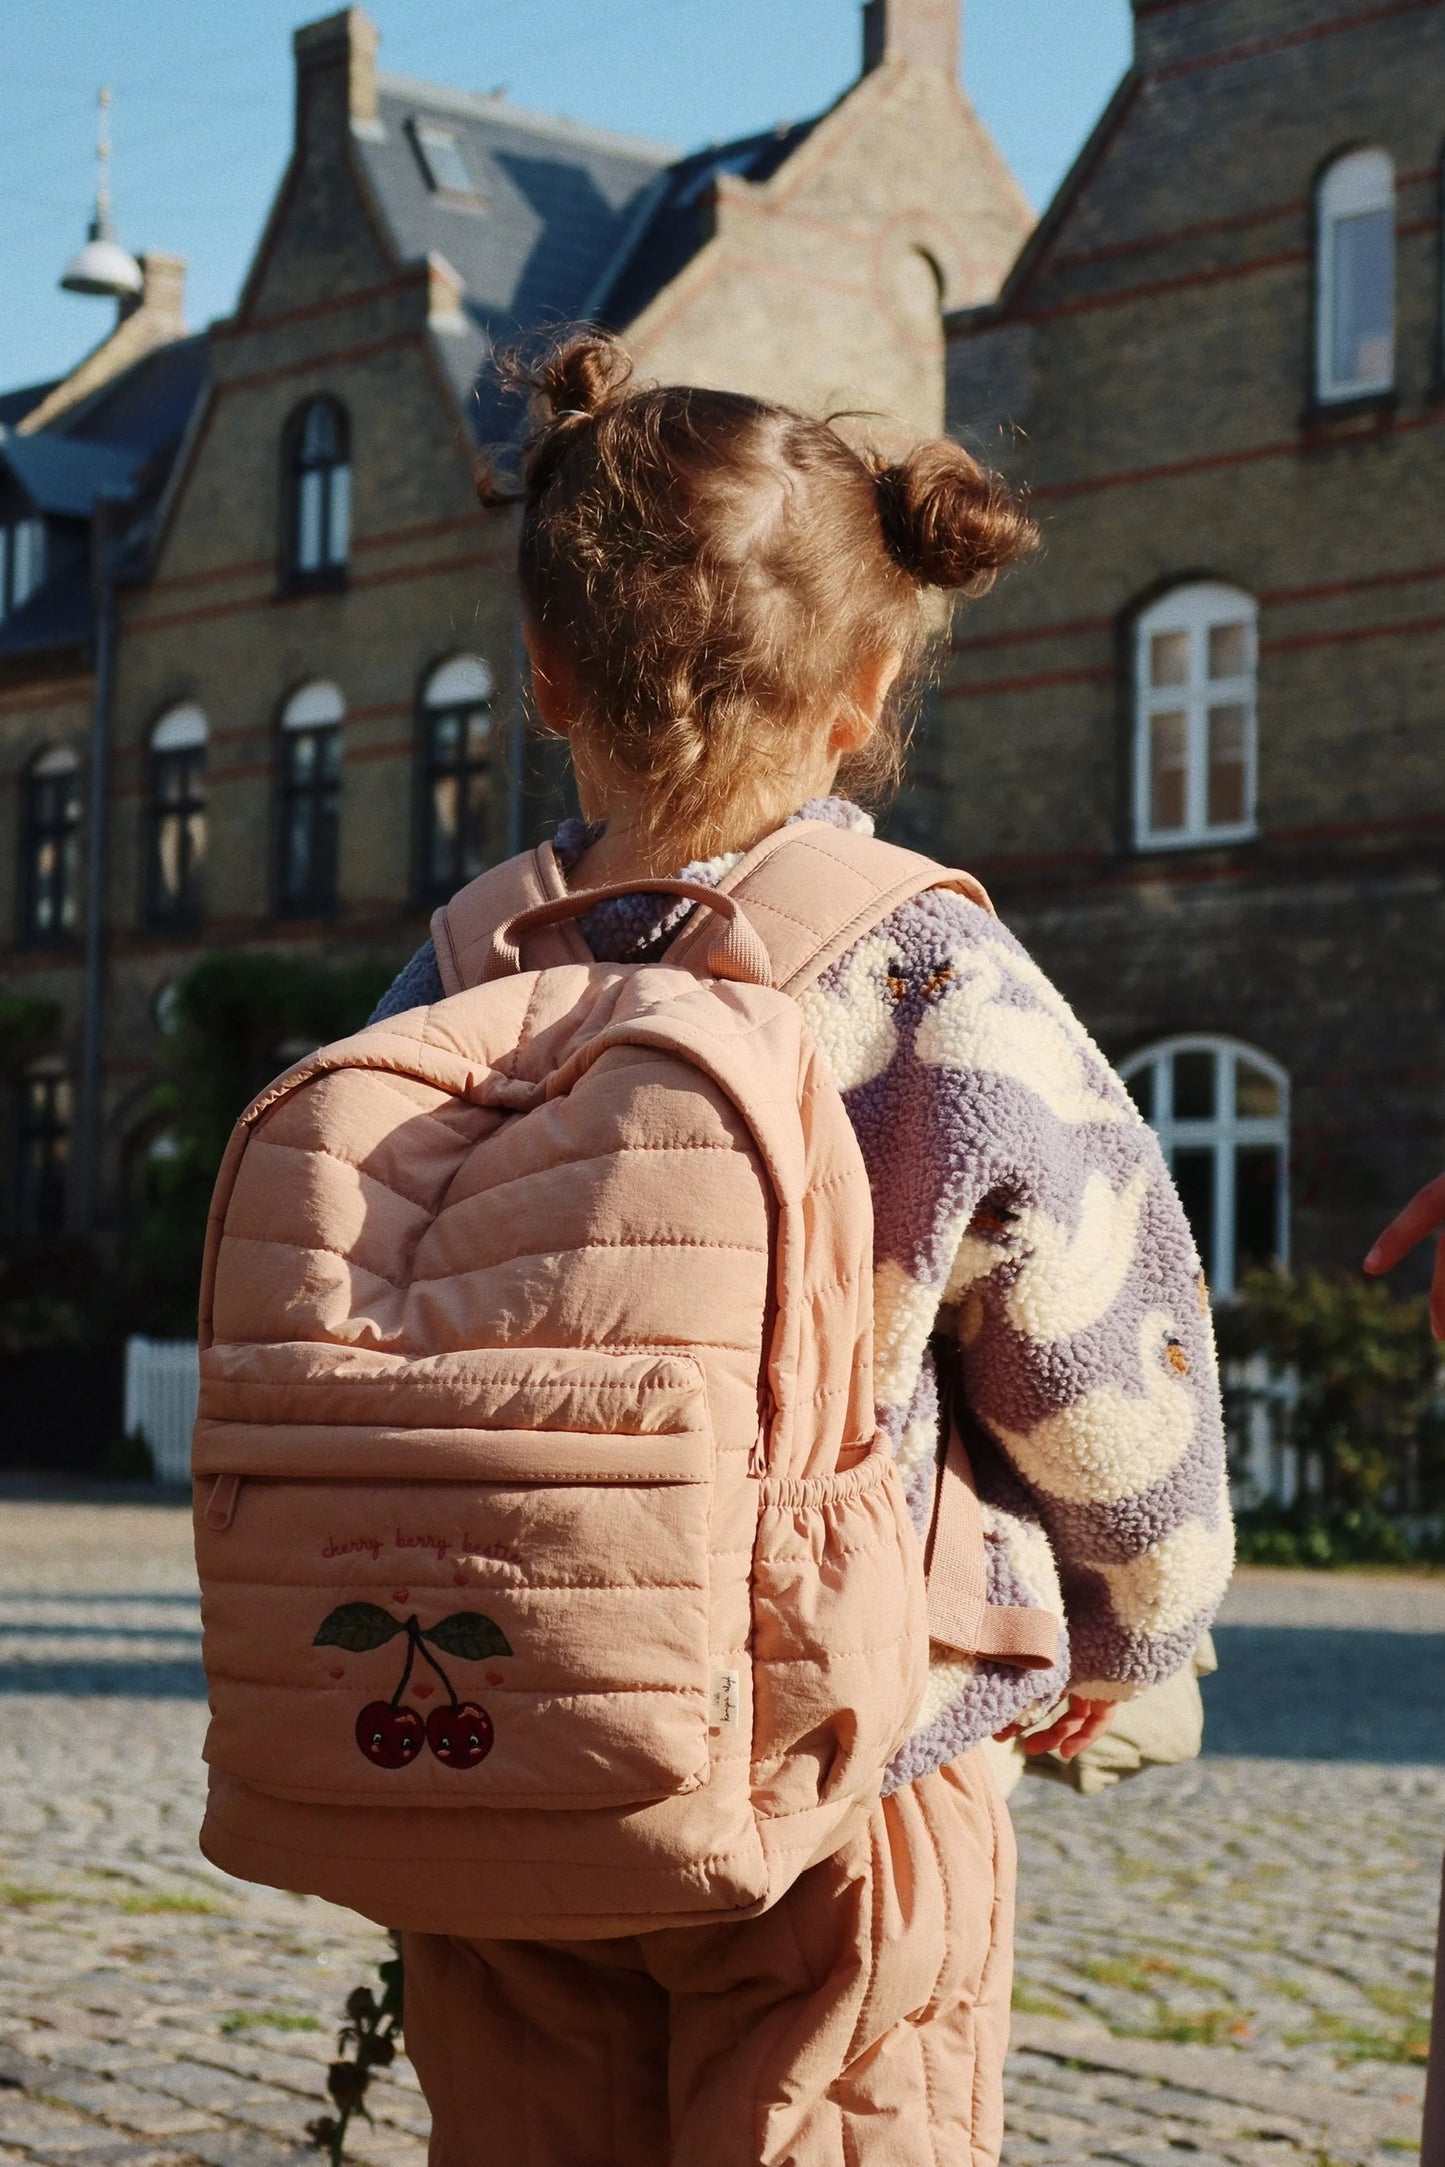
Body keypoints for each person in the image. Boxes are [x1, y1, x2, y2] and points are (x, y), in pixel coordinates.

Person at [370, 332, 1233, 2166]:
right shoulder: (918, 969)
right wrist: (1133, 1627)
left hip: (507, 1750)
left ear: (542, 676)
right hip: (846, 1761)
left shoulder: (457, 967)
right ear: (864, 686)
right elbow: (1089, 1333)